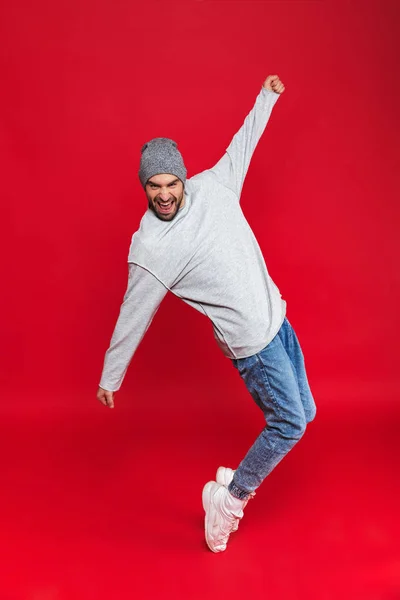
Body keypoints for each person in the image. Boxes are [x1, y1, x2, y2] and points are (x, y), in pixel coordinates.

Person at [96, 74, 317, 553]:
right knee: (290, 424)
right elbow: (132, 313)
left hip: (277, 319)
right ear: (144, 187)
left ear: (183, 177)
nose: (164, 195)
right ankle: (230, 498)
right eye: (154, 186)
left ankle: (232, 476)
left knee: (308, 412)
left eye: (171, 183)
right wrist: (111, 375)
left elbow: (244, 142)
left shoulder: (214, 185)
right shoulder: (151, 247)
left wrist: (266, 97)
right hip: (252, 346)